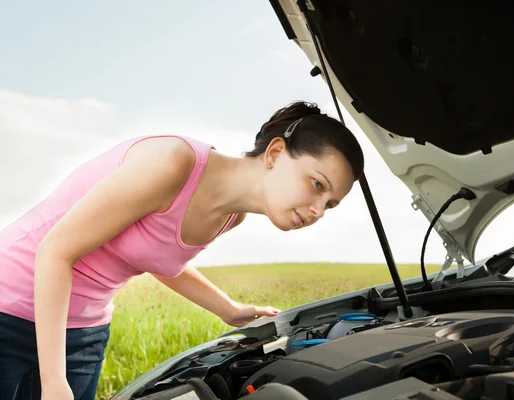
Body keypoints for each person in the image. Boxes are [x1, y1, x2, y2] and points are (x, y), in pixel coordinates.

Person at [0, 101, 365, 399]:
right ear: (274, 153)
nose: (318, 210)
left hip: (84, 331)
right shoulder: (173, 163)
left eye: (330, 203)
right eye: (317, 184)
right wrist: (53, 381)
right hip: (10, 304)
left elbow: (156, 256)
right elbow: (55, 251)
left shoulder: (231, 216)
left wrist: (229, 310)